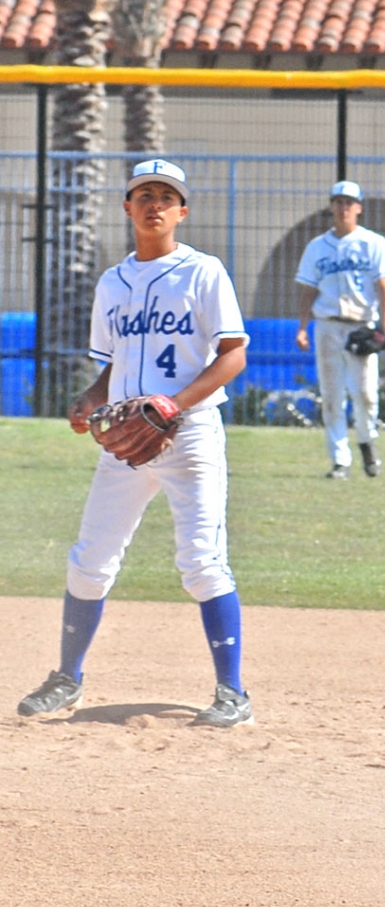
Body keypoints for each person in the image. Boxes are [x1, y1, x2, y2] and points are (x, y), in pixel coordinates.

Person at [17, 159, 252, 728]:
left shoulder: (204, 272)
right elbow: (109, 367)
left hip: (190, 434)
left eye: (166, 196)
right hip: (124, 437)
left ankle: (233, 694)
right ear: (127, 208)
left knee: (201, 562)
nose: (154, 204)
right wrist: (89, 398)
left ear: (181, 211)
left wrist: (176, 403)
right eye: (143, 194)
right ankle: (67, 678)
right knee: (90, 561)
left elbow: (233, 354)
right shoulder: (112, 283)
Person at [295, 180, 385, 479]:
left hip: (361, 326)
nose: (343, 208)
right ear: (331, 206)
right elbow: (308, 291)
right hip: (327, 325)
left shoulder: (373, 243)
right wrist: (303, 327)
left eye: (349, 202)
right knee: (331, 395)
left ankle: (367, 442)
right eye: (338, 202)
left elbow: (384, 287)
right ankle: (340, 460)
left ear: (359, 208)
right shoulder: (317, 247)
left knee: (365, 393)